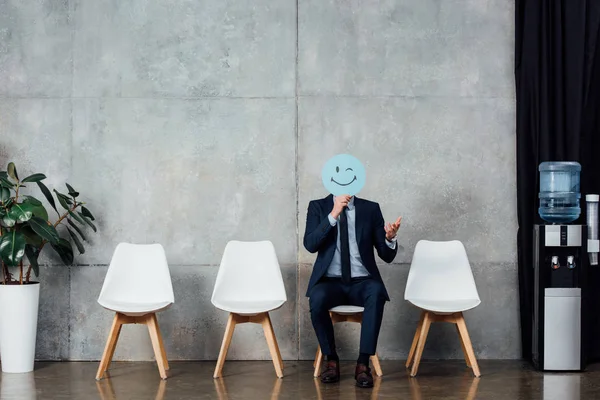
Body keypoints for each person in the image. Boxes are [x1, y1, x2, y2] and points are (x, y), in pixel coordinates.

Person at [303, 193, 401, 388]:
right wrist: (333, 214)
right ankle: (331, 360)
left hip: (362, 281)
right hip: (330, 282)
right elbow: (310, 244)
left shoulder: (370, 208)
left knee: (377, 292)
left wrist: (389, 238)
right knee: (316, 297)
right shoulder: (317, 206)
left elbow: (386, 255)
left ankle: (363, 364)